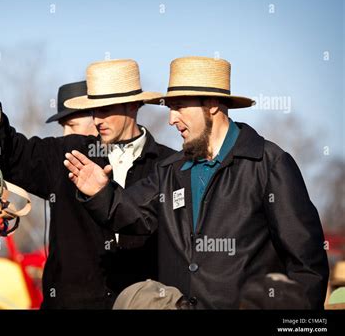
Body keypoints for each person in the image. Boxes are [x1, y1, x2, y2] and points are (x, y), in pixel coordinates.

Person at [64, 56, 329, 309]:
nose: (171, 119)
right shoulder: (169, 170)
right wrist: (100, 192)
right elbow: (128, 212)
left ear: (212, 104)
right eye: (170, 108)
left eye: (179, 106)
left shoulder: (268, 164)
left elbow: (307, 265)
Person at [0, 59, 175, 309]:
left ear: (133, 105)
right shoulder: (68, 153)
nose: (97, 119)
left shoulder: (169, 166)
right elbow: (13, 153)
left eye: (105, 109)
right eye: (93, 110)